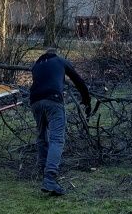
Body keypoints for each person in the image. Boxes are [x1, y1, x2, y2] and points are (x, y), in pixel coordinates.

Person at [29, 46, 91, 197]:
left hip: (35, 101)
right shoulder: (60, 61)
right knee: (57, 138)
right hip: (53, 100)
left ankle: (42, 170)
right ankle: (50, 178)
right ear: (55, 53)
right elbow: (78, 80)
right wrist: (87, 100)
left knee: (42, 135)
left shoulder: (36, 65)